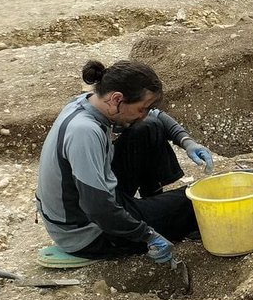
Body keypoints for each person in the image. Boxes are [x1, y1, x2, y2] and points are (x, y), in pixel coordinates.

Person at [35, 60, 214, 264]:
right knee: (197, 202)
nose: (144, 113)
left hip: (92, 206)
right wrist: (148, 235)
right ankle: (155, 216)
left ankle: (152, 207)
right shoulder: (84, 132)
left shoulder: (87, 102)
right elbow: (99, 209)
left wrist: (187, 142)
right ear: (117, 99)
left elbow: (156, 116)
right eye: (142, 108)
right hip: (89, 233)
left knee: (148, 126)